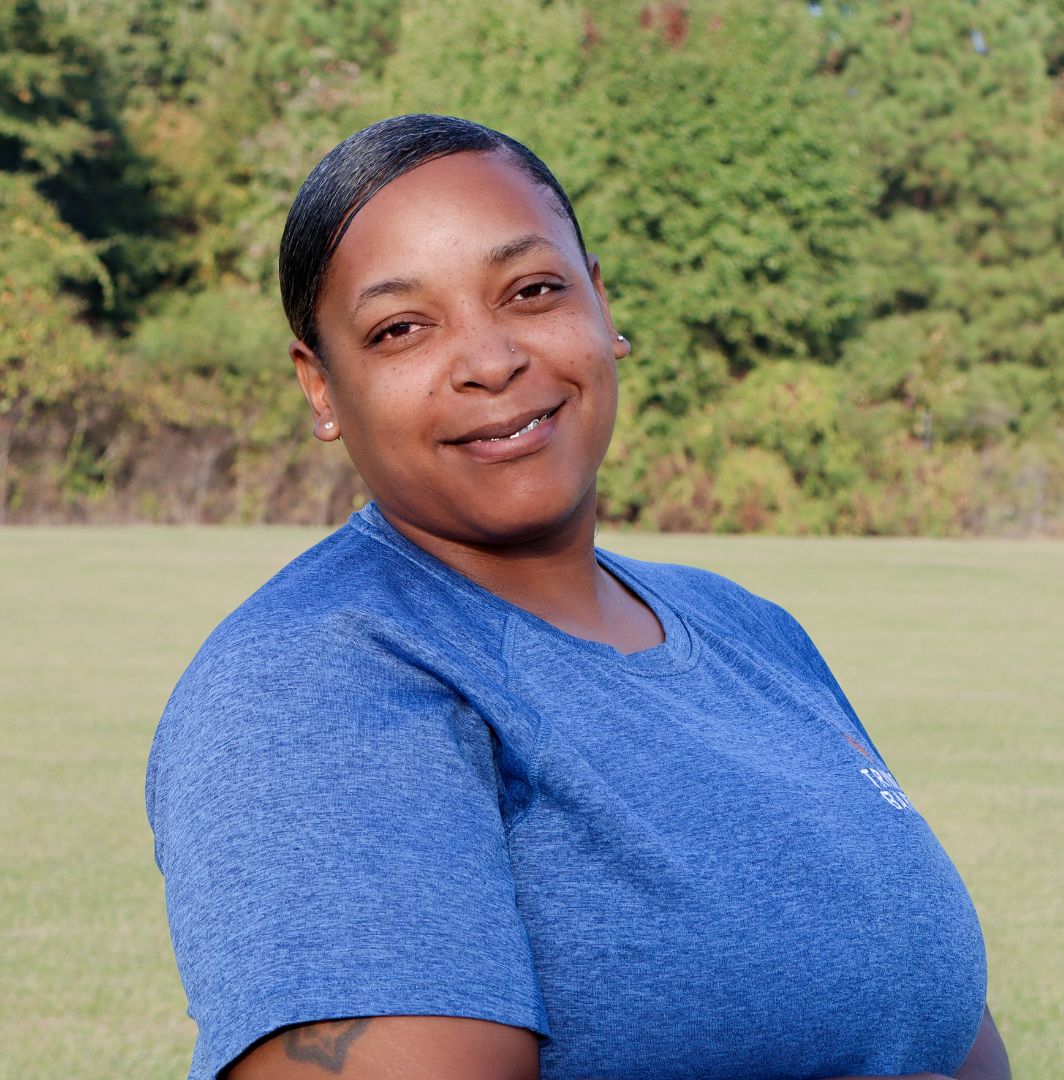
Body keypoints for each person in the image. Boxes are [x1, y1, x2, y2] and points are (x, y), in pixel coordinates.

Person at [146, 114, 1010, 1080]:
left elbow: (933, 1025)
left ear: (599, 304)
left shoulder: (752, 635)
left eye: (533, 291)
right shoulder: (314, 686)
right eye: (401, 329)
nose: (490, 359)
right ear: (322, 387)